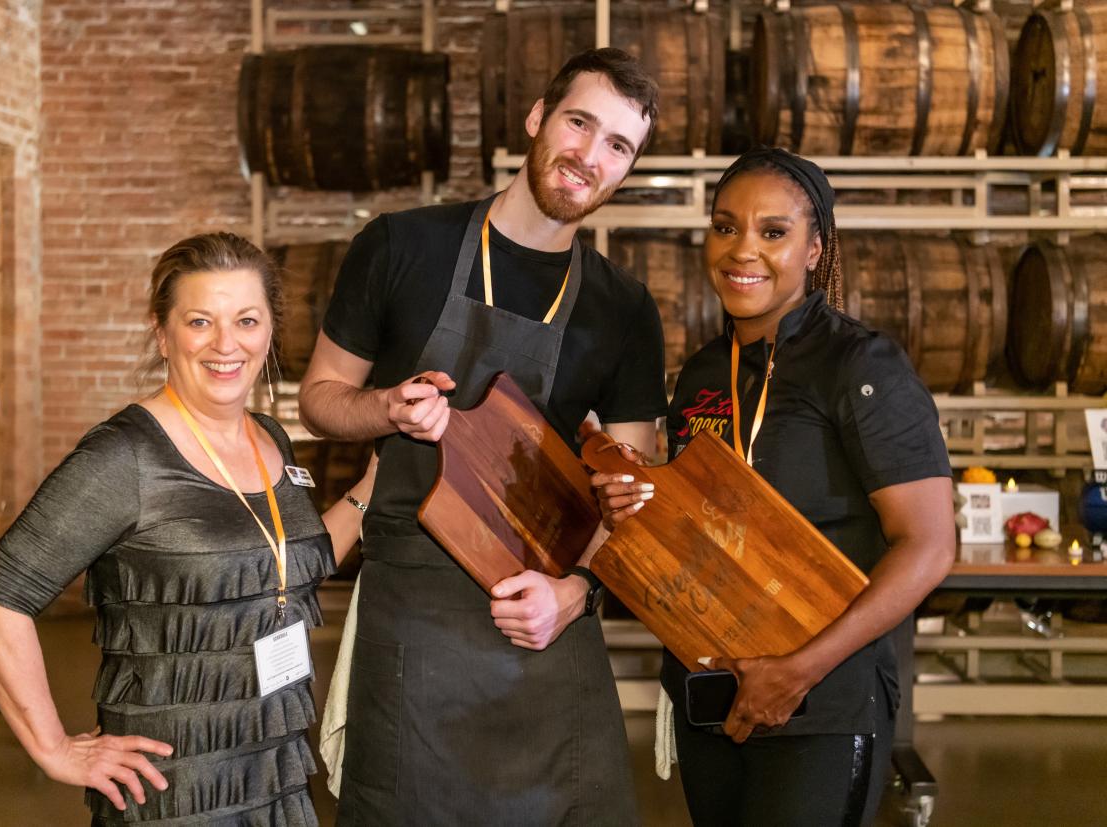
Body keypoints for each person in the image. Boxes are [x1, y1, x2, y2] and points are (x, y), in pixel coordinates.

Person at [297, 48, 667, 824]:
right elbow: (320, 400)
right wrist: (388, 409)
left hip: (544, 617)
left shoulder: (623, 309)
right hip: (416, 614)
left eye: (617, 146)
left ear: (628, 169)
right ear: (536, 117)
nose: (589, 156)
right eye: (579, 122)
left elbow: (636, 494)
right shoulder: (402, 246)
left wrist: (579, 591)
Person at [594, 147, 956, 825]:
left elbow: (930, 546)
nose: (743, 250)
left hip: (821, 701)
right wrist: (638, 507)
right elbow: (707, 522)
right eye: (726, 226)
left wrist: (798, 669)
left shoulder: (860, 363)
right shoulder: (703, 371)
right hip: (715, 697)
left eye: (773, 231)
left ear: (815, 248)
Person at [0, 232, 377, 825]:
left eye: (246, 320)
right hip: (175, 785)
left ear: (269, 332)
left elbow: (290, 566)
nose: (225, 344)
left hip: (274, 764)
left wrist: (369, 489)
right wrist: (53, 749)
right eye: (200, 321)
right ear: (163, 334)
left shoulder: (272, 439)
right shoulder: (126, 456)